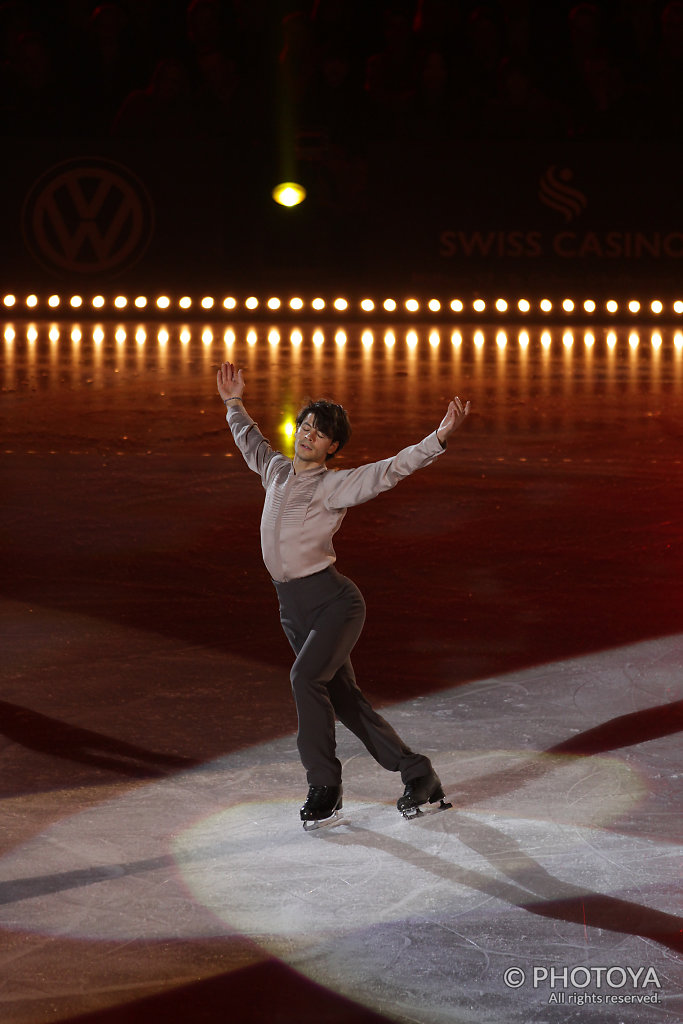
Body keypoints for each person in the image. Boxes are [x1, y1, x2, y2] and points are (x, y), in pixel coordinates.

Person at [217, 360, 470, 829]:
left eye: (319, 432)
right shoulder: (274, 471)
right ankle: (419, 775)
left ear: (333, 446)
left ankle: (325, 785)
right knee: (346, 700)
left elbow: (389, 471)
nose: (307, 434)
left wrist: (437, 439)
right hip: (291, 609)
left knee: (303, 679)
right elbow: (249, 440)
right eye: (305, 426)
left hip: (334, 604)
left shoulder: (334, 486)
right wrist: (234, 402)